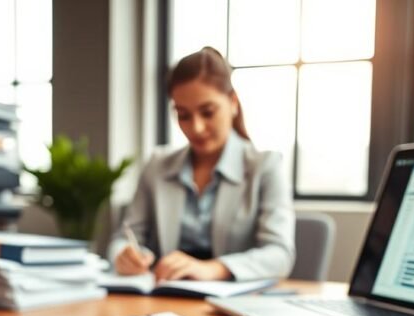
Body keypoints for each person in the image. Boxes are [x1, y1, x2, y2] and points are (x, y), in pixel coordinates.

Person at [108, 47, 295, 281]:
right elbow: (123, 237)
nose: (196, 128)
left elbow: (280, 254)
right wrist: (125, 255)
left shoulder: (265, 166)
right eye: (184, 115)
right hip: (164, 296)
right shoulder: (157, 165)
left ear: (233, 103)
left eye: (207, 112)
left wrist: (214, 269)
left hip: (231, 304)